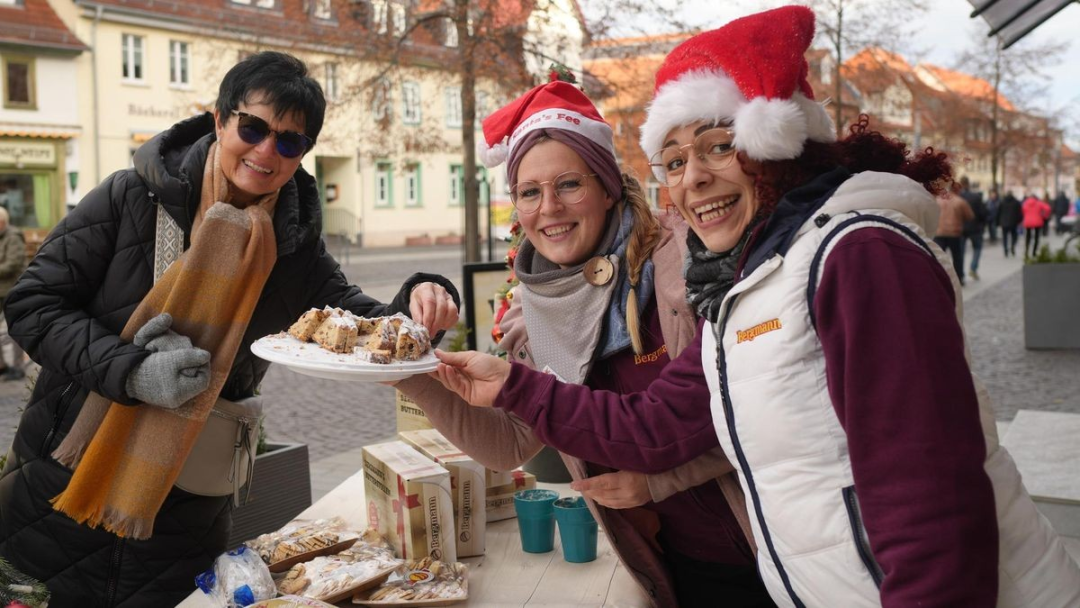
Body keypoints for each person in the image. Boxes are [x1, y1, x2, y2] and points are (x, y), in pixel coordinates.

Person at [427, 7, 1080, 606]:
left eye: (718, 146)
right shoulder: (747, 287)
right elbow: (657, 428)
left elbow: (931, 511)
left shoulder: (856, 256)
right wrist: (512, 384)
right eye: (674, 160)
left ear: (777, 143)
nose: (694, 179)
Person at [0, 52, 460, 608]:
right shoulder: (131, 197)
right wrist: (133, 370)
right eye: (254, 128)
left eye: (290, 142)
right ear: (220, 119)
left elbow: (354, 321)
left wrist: (420, 296)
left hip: (193, 499)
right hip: (67, 473)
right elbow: (32, 305)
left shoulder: (292, 244)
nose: (267, 151)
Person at [395, 75, 771, 607]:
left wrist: (657, 482)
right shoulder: (535, 303)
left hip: (768, 546)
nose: (548, 207)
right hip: (677, 562)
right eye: (530, 192)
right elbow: (510, 443)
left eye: (569, 184)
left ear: (607, 185)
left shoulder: (684, 263)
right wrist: (412, 370)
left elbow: (756, 417)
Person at [0, 207, 27, 381]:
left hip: (11, 290)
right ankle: (1, 365)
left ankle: (18, 368)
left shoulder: (13, 237)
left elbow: (12, 265)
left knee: (15, 330)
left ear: (2, 222)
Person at [934, 181, 973, 285]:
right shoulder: (960, 201)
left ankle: (939, 278)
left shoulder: (937, 201)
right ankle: (959, 278)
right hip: (954, 233)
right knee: (957, 257)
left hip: (939, 232)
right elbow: (970, 216)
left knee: (939, 258)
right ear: (958, 190)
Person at [959, 176, 987, 281]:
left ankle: (960, 273)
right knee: (977, 248)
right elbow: (983, 213)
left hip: (961, 228)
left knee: (960, 252)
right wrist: (982, 224)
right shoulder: (976, 197)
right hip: (975, 227)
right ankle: (973, 269)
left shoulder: (957, 197)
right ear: (968, 184)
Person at [1021, 191, 1051, 257]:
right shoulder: (1039, 203)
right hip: (1037, 221)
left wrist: (1025, 216)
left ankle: (1026, 251)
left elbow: (1022, 211)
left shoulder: (1025, 203)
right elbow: (1048, 208)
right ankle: (1034, 252)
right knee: (1037, 237)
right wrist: (1045, 216)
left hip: (1027, 222)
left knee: (1027, 236)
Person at [997, 191, 1022, 256]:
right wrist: (1019, 221)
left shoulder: (1002, 202)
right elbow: (1019, 213)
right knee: (1014, 236)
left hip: (1004, 222)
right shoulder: (1016, 202)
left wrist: (998, 222)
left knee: (1005, 237)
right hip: (1013, 222)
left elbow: (998, 212)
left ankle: (1005, 250)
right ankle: (1012, 246)